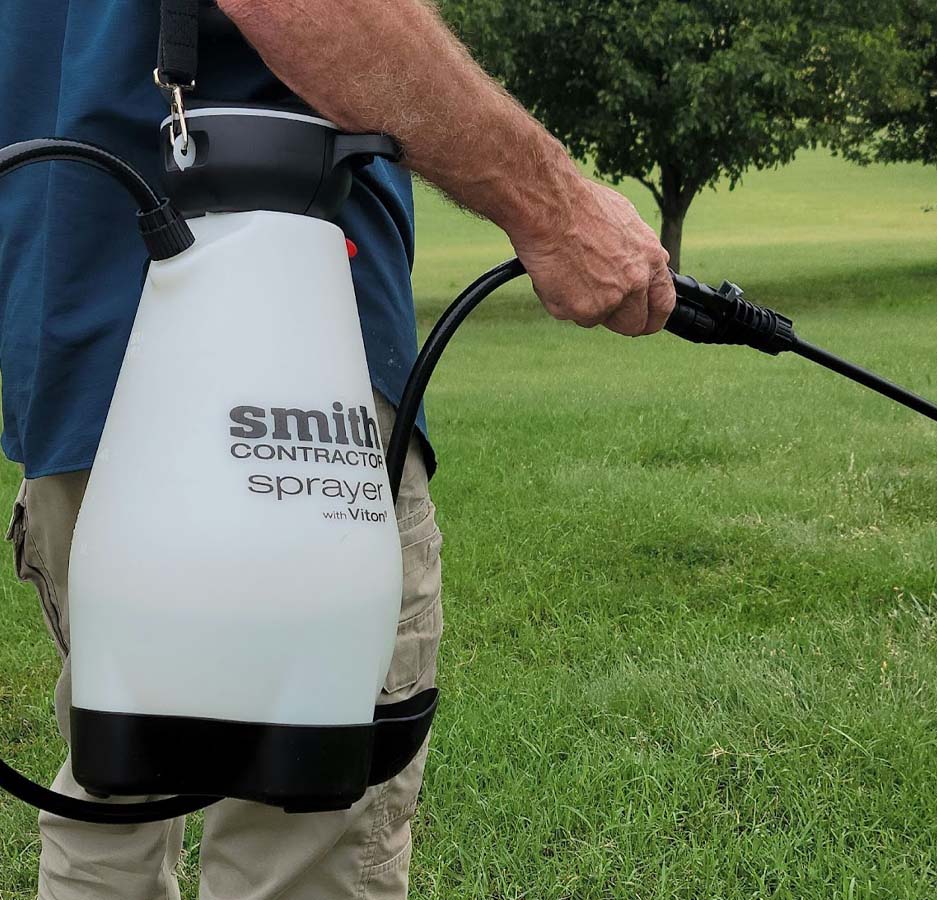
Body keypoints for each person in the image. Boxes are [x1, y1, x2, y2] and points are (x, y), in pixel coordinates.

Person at [0, 1, 674, 897]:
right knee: (305, 830)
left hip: (70, 357)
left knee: (115, 796)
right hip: (290, 352)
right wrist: (552, 202)